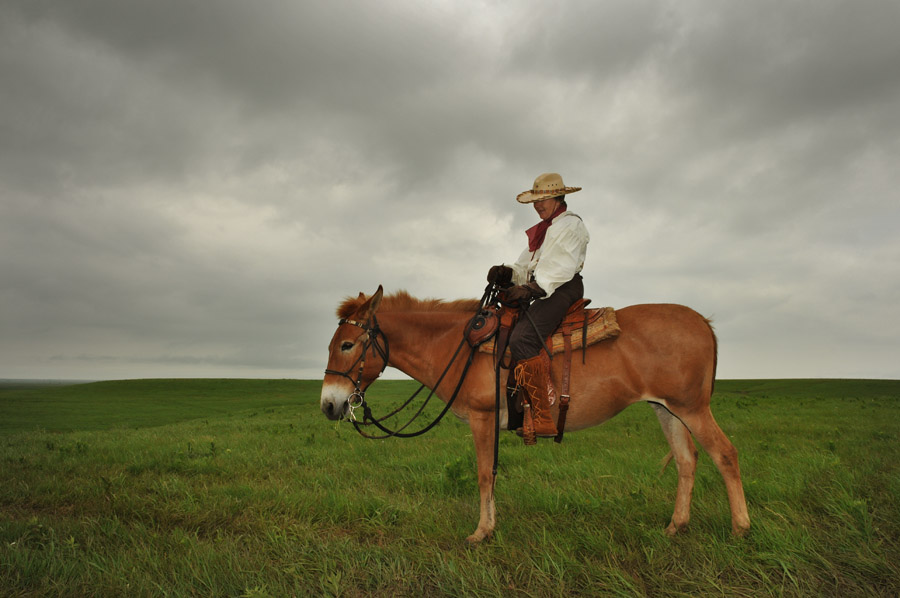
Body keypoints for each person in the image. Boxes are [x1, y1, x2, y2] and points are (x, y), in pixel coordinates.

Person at [487, 173, 589, 440]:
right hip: (545, 288)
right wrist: (506, 273)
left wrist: (532, 288)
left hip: (562, 287)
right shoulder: (545, 229)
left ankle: (543, 415)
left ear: (558, 198)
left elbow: (559, 268)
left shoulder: (569, 225)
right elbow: (525, 266)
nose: (538, 205)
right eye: (535, 200)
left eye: (543, 200)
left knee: (522, 339)